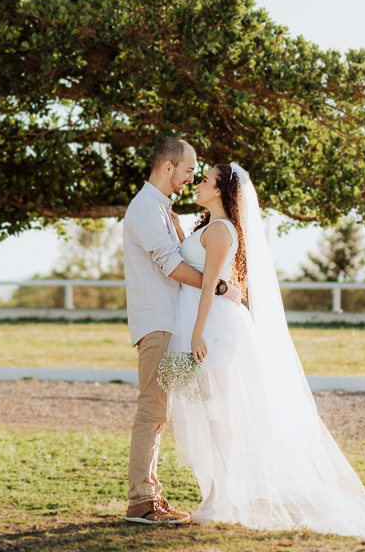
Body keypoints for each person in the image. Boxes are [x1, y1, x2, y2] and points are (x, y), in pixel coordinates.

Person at [163, 163, 365, 537]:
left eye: (205, 181)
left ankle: (222, 495)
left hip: (213, 327)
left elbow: (208, 285)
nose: (198, 184)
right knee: (203, 410)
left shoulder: (222, 230)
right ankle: (216, 493)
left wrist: (197, 332)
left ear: (220, 191)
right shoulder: (207, 226)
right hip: (198, 320)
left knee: (218, 412)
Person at [121, 137, 205, 525]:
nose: (192, 176)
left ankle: (150, 494)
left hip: (170, 323)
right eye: (188, 169)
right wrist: (218, 285)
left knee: (160, 413)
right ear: (168, 167)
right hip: (156, 323)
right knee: (152, 410)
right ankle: (141, 501)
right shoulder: (145, 209)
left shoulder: (161, 208)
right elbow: (171, 265)